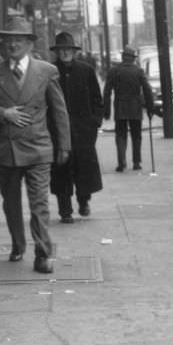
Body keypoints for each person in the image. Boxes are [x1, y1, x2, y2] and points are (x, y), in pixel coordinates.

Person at [0, 14, 70, 274]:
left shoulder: (46, 71)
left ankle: (43, 253)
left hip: (38, 147)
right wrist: (3, 113)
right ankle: (18, 244)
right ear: (3, 45)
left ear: (30, 44)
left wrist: (64, 145)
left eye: (19, 40)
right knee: (11, 202)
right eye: (8, 41)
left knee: (39, 203)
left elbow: (59, 110)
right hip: (7, 149)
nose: (13, 46)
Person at [49, 31, 104, 222]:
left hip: (83, 130)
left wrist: (94, 122)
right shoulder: (50, 71)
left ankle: (83, 201)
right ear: (57, 52)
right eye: (61, 50)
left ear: (74, 51)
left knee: (83, 169)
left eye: (68, 49)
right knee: (61, 169)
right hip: (58, 130)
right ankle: (65, 211)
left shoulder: (86, 70)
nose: (64, 53)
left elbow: (97, 99)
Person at [103, 47, 155, 172]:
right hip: (135, 106)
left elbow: (107, 91)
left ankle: (122, 162)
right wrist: (150, 107)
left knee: (120, 135)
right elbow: (147, 89)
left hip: (120, 106)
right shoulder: (138, 71)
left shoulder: (114, 71)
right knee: (136, 135)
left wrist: (107, 110)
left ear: (123, 57)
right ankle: (136, 162)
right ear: (133, 58)